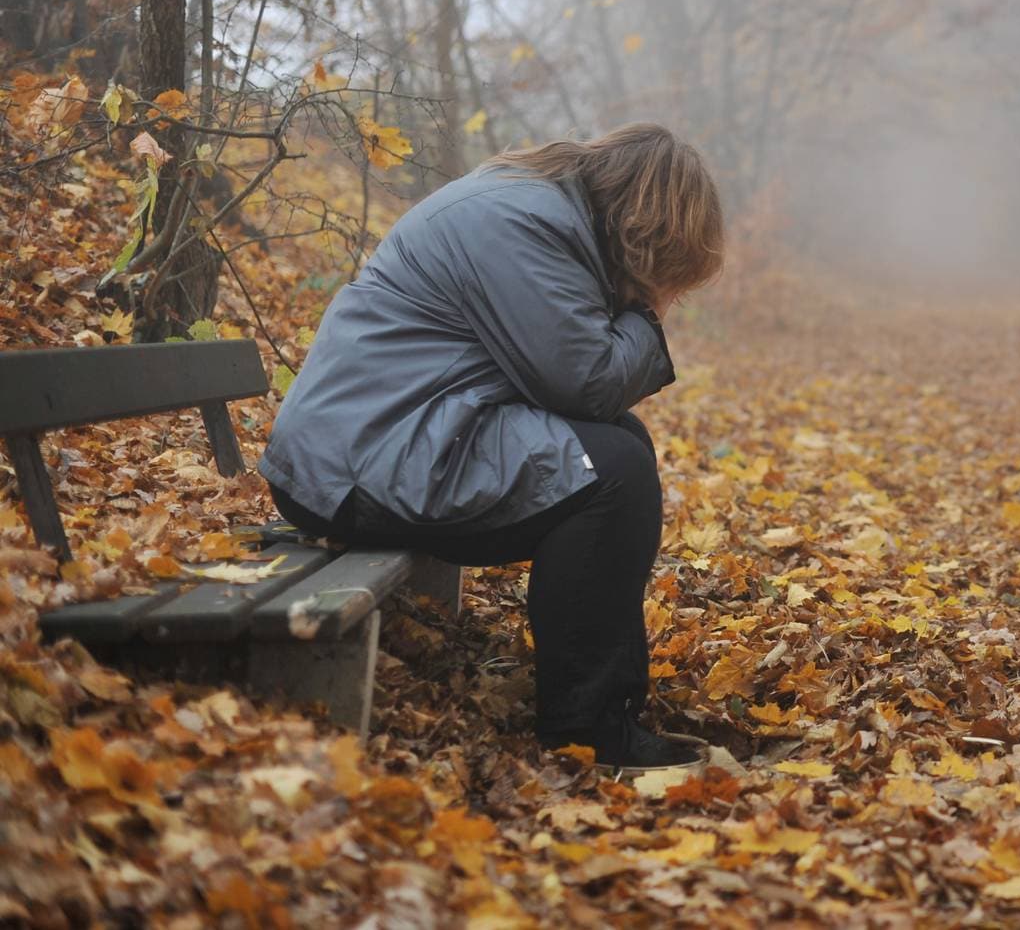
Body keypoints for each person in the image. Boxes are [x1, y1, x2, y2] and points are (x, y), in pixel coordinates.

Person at [260, 123, 724, 771]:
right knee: (611, 470)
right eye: (671, 276)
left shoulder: (535, 211)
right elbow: (585, 381)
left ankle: (601, 709)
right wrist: (644, 315)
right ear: (649, 227)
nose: (669, 295)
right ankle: (588, 731)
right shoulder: (523, 224)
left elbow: (571, 383)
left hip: (384, 439)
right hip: (356, 462)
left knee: (618, 448)